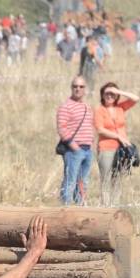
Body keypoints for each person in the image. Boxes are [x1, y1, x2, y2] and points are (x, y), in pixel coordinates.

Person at [94, 82, 140, 206]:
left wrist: (119, 92)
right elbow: (100, 129)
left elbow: (136, 98)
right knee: (106, 180)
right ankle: (106, 209)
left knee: (118, 180)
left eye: (112, 94)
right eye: (107, 93)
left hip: (121, 150)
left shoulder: (120, 108)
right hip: (106, 149)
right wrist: (118, 136)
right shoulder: (99, 110)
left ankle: (115, 207)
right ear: (102, 95)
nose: (109, 96)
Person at [56, 77, 94, 206]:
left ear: (85, 89)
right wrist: (75, 147)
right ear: (71, 88)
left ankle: (79, 208)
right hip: (73, 151)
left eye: (81, 86)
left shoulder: (87, 107)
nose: (78, 89)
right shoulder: (65, 106)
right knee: (70, 181)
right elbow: (62, 128)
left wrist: (90, 143)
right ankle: (65, 208)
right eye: (75, 86)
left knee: (84, 182)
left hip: (88, 150)